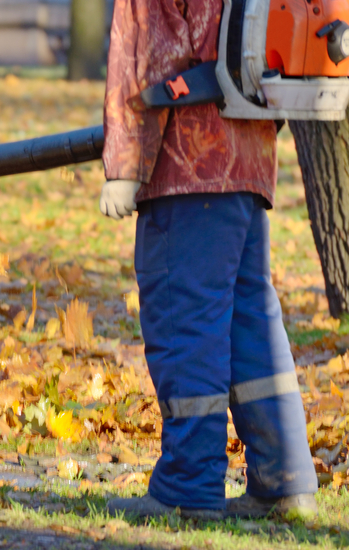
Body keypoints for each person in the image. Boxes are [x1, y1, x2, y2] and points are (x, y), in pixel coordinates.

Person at [100, 0, 318, 520]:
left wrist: (125, 164)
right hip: (249, 156)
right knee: (250, 324)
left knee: (186, 321)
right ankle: (284, 481)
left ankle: (187, 485)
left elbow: (147, 54)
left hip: (185, 162)